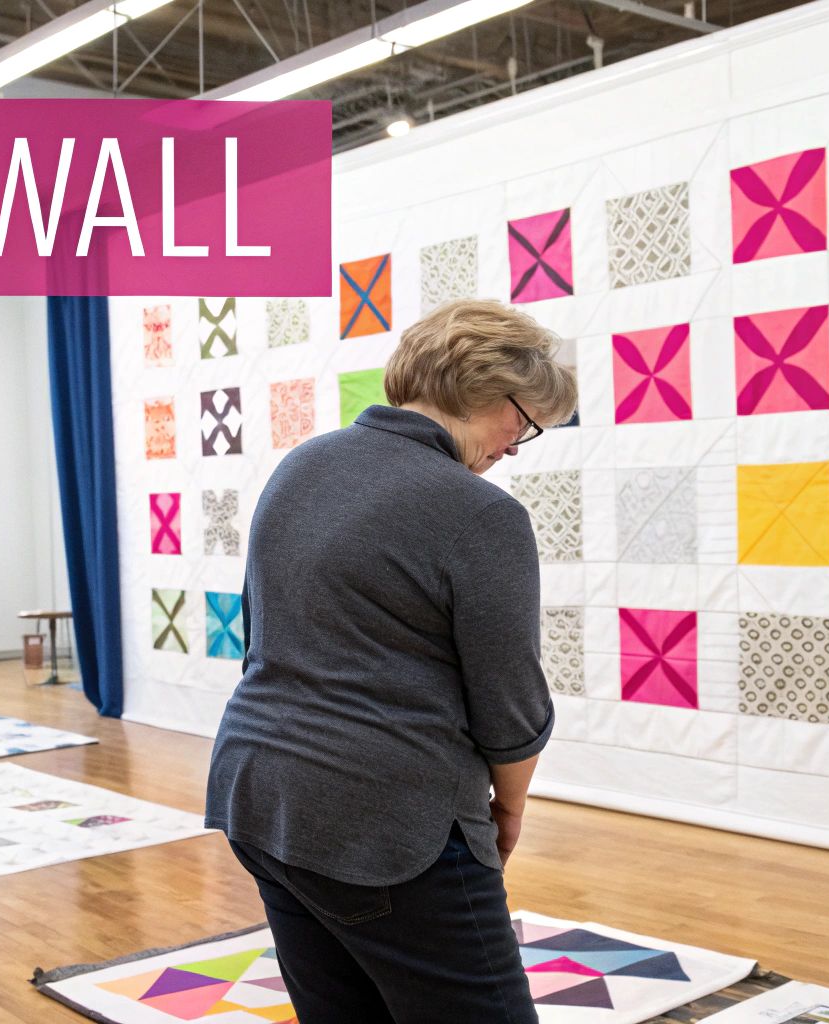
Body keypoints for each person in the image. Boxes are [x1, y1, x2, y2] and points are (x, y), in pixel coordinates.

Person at [205, 298, 578, 1023]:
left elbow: (264, 633)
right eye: (525, 422)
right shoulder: (481, 513)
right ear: (486, 391)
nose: (516, 443)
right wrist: (511, 809)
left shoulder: (304, 465)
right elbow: (510, 707)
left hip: (257, 792)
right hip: (383, 822)